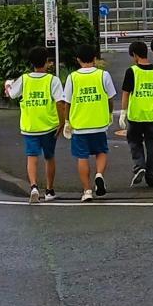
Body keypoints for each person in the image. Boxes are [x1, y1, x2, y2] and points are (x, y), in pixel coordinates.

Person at [58, 41, 114, 201]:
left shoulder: (73, 78)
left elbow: (66, 103)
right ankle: (99, 174)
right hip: (99, 123)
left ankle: (87, 191)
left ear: (78, 59)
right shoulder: (104, 75)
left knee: (82, 157)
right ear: (94, 58)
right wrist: (109, 113)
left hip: (79, 125)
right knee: (101, 152)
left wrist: (67, 121)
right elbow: (110, 98)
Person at [4, 45, 61, 200]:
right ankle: (49, 190)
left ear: (31, 63)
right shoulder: (53, 80)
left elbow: (12, 94)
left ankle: (34, 187)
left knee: (32, 157)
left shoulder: (24, 79)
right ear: (47, 62)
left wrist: (8, 85)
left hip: (30, 126)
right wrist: (63, 123)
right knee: (49, 157)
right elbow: (60, 102)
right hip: (49, 125)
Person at [118, 38, 153, 188]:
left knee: (134, 141)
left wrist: (123, 112)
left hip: (136, 115)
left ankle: (139, 166)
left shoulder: (132, 71)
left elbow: (126, 93)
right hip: (152, 115)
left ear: (136, 55)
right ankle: (152, 176)